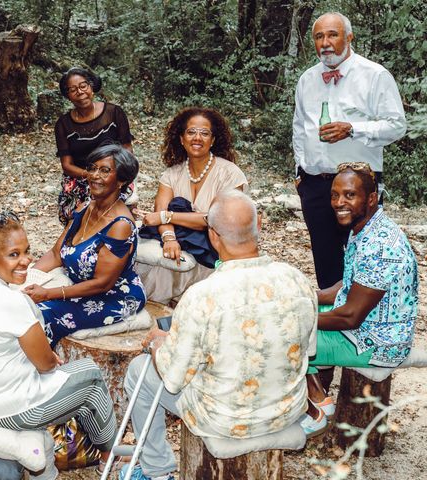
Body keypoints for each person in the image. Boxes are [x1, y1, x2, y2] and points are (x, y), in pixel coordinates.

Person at [121, 190, 317, 480]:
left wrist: (159, 347)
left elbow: (174, 377)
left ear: (213, 236)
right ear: (259, 224)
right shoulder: (296, 279)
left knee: (139, 371)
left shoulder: (203, 296)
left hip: (223, 420)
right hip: (285, 411)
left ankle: (157, 471)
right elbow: (308, 351)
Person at [0, 212, 117, 471]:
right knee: (91, 375)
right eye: (14, 255)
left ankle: (79, 442)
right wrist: (51, 360)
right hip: (7, 410)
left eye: (26, 251)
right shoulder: (11, 300)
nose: (26, 261)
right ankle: (108, 455)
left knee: (71, 381)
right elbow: (46, 364)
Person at [299, 162, 418, 437]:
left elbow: (351, 315)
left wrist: (297, 316)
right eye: (334, 195)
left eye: (349, 195)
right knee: (293, 316)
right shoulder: (364, 227)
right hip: (363, 327)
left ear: (372, 198)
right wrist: (305, 297)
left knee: (282, 334)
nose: (339, 202)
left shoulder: (379, 244)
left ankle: (315, 410)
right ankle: (317, 392)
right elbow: (348, 284)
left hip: (377, 342)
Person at [292, 11, 406, 289]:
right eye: (319, 36)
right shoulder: (307, 79)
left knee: (364, 255)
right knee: (325, 258)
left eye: (333, 34)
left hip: (359, 185)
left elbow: (397, 126)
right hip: (315, 186)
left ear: (349, 37)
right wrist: (299, 172)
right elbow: (299, 127)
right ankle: (333, 325)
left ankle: (362, 320)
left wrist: (353, 129)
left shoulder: (375, 75)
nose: (326, 43)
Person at [23, 144, 145, 346]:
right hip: (79, 286)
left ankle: (41, 369)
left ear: (121, 180)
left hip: (113, 297)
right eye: (92, 168)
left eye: (105, 170)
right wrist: (26, 280)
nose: (95, 175)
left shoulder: (120, 225)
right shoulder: (86, 206)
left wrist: (47, 294)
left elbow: (102, 283)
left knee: (40, 317)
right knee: (17, 302)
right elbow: (56, 254)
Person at [137, 107, 248, 305]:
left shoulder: (230, 174)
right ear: (181, 138)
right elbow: (159, 211)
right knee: (153, 268)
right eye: (191, 132)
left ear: (213, 140)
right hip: (180, 246)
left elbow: (216, 220)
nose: (197, 138)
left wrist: (166, 217)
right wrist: (169, 237)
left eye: (205, 133)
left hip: (216, 252)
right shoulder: (171, 174)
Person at [54, 67, 135, 224]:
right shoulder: (63, 124)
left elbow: (127, 149)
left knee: (113, 219)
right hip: (80, 178)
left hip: (113, 175)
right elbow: (67, 165)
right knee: (76, 218)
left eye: (83, 86)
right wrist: (90, 175)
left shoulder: (114, 112)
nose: (80, 92)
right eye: (73, 89)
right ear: (68, 96)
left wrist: (115, 175)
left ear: (91, 87)